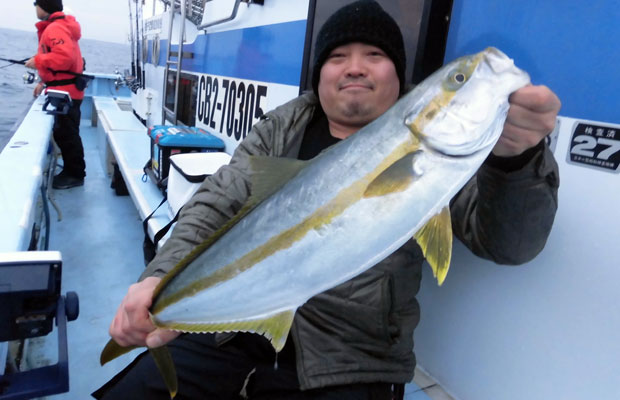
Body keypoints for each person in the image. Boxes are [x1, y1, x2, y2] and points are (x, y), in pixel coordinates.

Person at [94, 1, 561, 399]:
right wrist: (158, 280)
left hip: (352, 360)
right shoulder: (282, 127)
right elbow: (215, 202)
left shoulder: (448, 158)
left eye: (374, 54)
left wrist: (516, 162)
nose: (355, 66)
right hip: (229, 331)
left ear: (401, 77)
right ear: (320, 73)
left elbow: (509, 244)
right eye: (338, 55)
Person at [25, 0, 86, 189]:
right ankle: (72, 171)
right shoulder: (59, 27)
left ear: (44, 6)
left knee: (67, 135)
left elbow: (64, 58)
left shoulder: (55, 29)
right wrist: (43, 82)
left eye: (36, 3)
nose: (35, 7)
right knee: (65, 133)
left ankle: (75, 175)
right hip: (65, 90)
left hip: (65, 92)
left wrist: (38, 60)